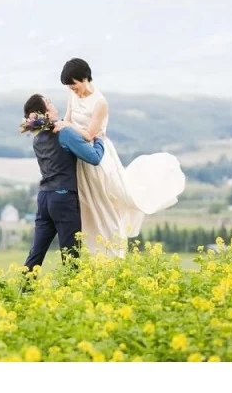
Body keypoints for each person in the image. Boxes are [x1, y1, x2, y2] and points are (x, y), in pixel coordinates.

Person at [54, 58, 185, 257]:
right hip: (80, 157)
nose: (74, 91)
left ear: (85, 78)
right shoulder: (72, 96)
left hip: (97, 156)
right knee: (87, 207)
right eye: (70, 88)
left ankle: (113, 252)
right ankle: (91, 255)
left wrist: (67, 127)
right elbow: (68, 119)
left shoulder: (100, 102)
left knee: (105, 204)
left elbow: (90, 134)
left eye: (75, 86)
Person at [21, 93, 105, 273]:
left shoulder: (37, 138)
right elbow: (94, 158)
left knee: (36, 252)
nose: (52, 104)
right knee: (70, 253)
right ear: (46, 113)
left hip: (44, 199)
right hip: (63, 198)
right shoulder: (64, 134)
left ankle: (22, 291)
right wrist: (99, 140)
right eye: (48, 103)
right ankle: (71, 295)